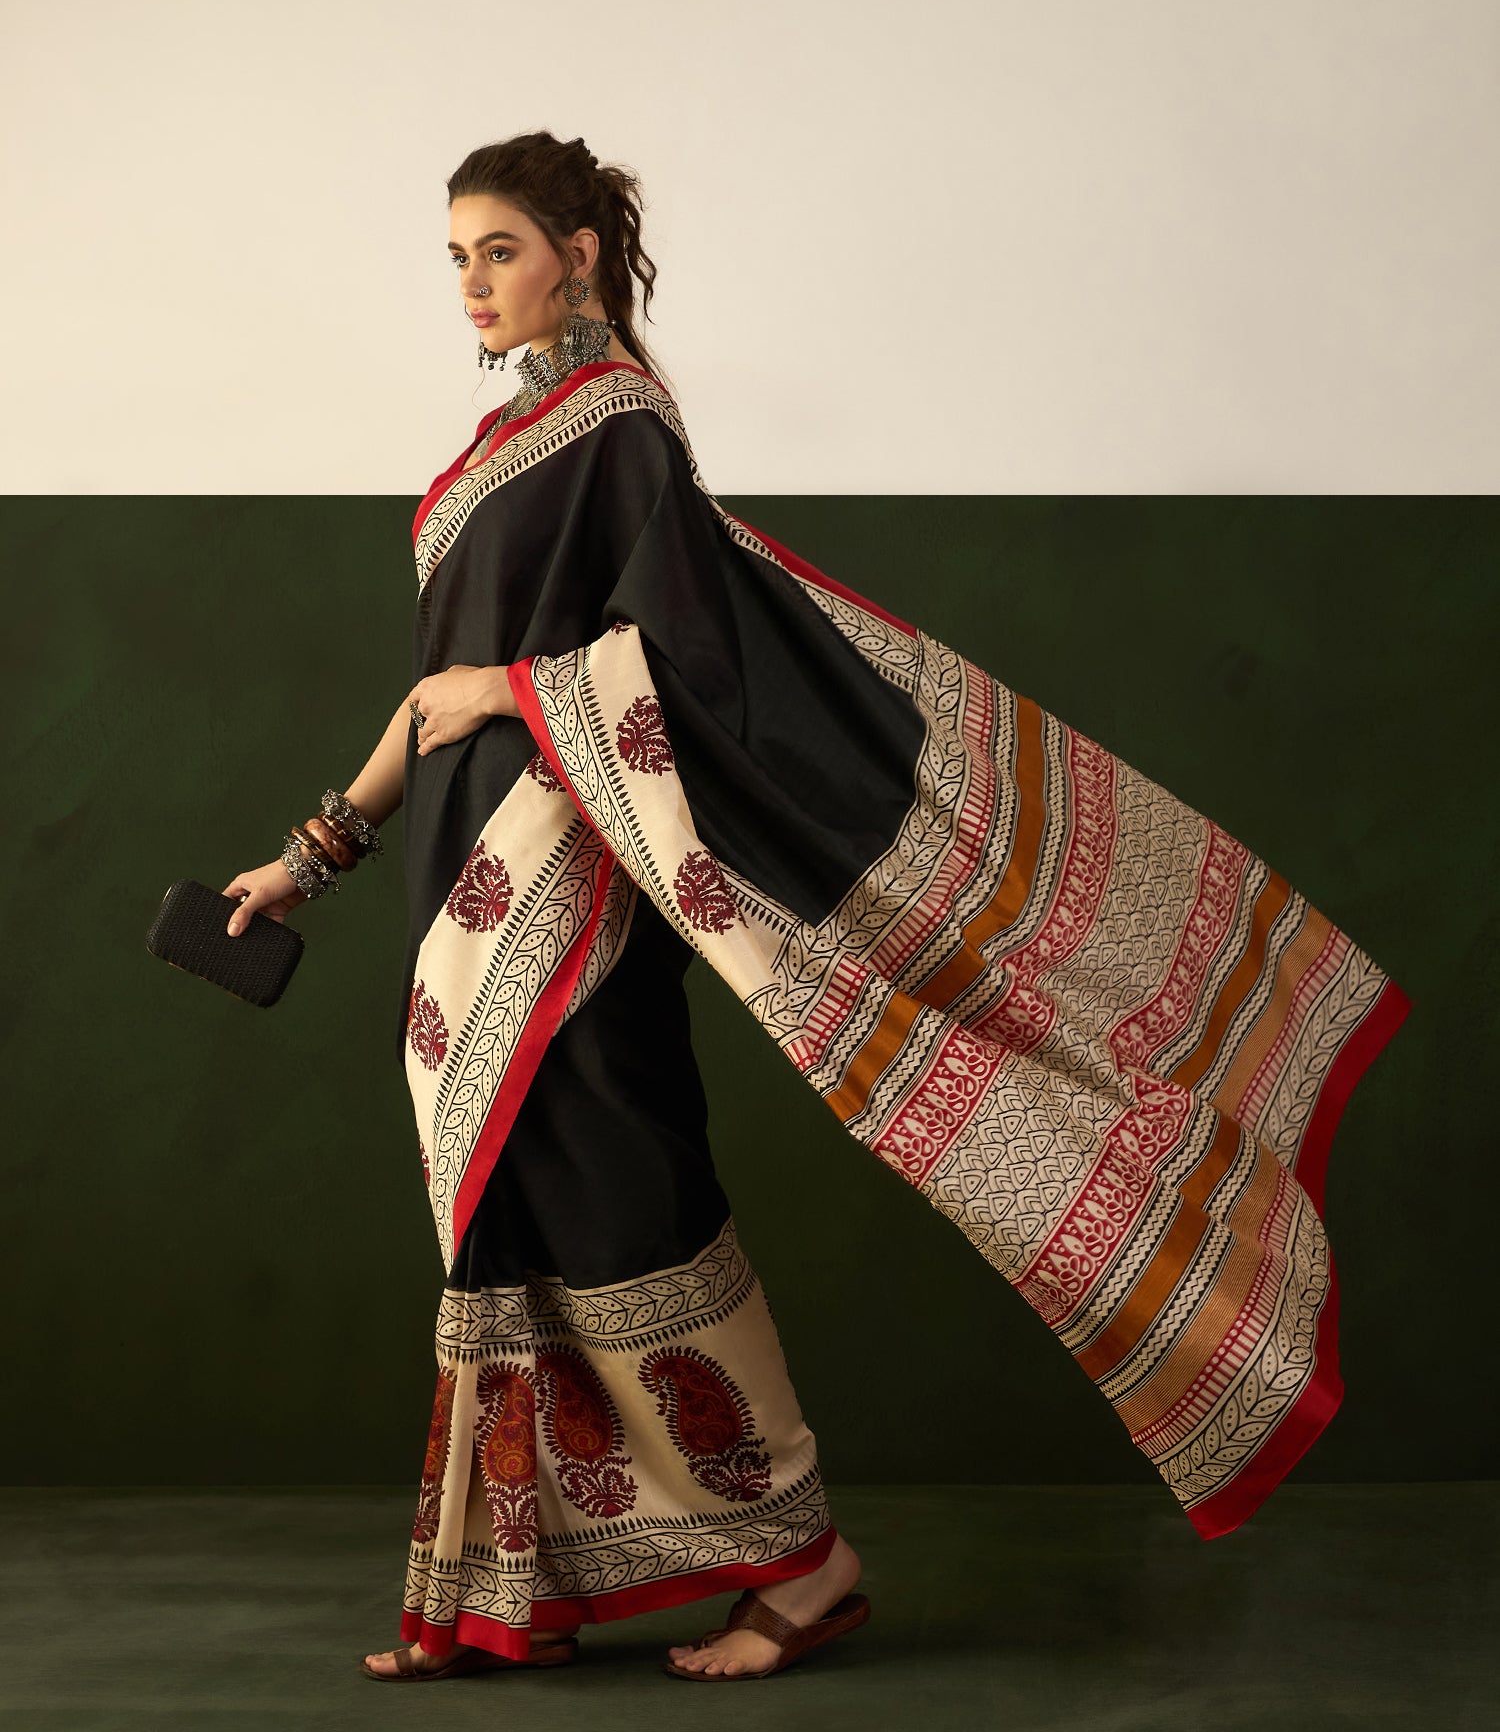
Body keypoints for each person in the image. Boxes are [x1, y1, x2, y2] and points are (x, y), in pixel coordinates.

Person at [222, 129, 1412, 1687]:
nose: (472, 285)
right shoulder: (502, 443)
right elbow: (428, 690)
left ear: (579, 253)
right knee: (510, 1224)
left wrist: (509, 689)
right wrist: (312, 854)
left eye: (498, 251)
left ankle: (804, 1565)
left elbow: (685, 665)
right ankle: (515, 1591)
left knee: (624, 1197)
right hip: (460, 894)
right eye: (455, 258)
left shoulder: (621, 426)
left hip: (580, 888)